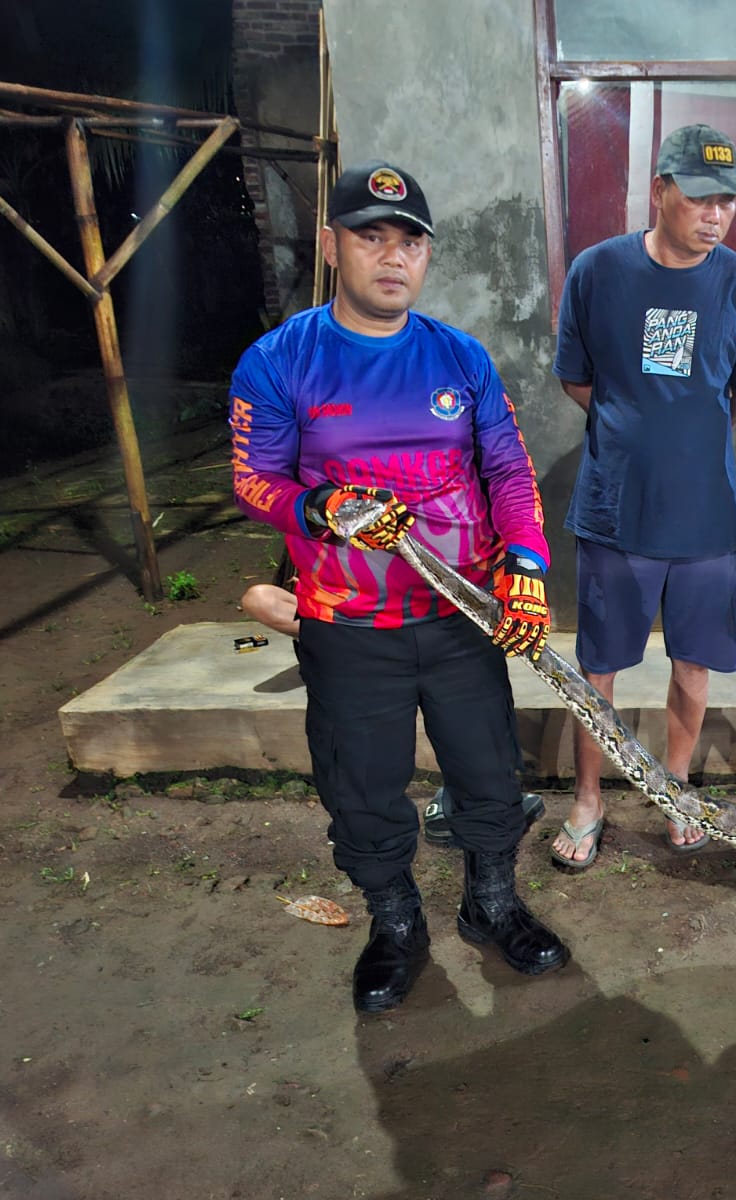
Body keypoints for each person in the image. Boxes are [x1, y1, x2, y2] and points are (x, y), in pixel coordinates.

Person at [229, 159, 569, 1012]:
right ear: (332, 244)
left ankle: (492, 904)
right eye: (370, 236)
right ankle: (395, 922)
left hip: (460, 617)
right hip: (348, 628)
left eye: (409, 240)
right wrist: (324, 508)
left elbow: (509, 473)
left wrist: (523, 570)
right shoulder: (280, 361)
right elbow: (253, 480)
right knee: (363, 786)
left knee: (490, 775)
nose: (392, 256)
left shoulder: (460, 356)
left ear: (425, 255)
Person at [550, 124, 736, 869]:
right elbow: (577, 380)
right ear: (659, 192)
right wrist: (633, 428)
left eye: (728, 203)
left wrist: (683, 438)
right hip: (617, 513)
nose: (716, 215)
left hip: (705, 517)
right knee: (600, 668)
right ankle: (589, 799)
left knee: (695, 666)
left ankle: (676, 786)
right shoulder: (597, 271)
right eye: (701, 198)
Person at [237, 581, 547, 843]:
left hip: (430, 631)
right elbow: (262, 599)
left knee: (470, 740)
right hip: (356, 639)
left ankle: (474, 809)